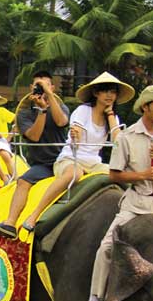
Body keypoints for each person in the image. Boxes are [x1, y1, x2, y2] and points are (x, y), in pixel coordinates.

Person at [71, 85, 153, 301]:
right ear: (145, 107)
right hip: (137, 203)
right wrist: (143, 174)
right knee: (107, 248)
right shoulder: (127, 138)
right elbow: (114, 175)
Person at [21, 72, 134, 231]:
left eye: (113, 92)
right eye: (106, 91)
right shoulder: (83, 110)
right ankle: (35, 215)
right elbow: (76, 133)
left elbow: (118, 142)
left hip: (94, 163)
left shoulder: (113, 118)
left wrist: (110, 115)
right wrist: (75, 133)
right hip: (71, 158)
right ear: (96, 93)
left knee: (123, 175)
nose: (110, 95)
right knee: (74, 174)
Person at [0, 71, 70, 239]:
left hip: (64, 160)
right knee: (23, 181)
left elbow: (62, 122)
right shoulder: (24, 114)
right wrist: (42, 111)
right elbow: (34, 136)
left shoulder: (61, 107)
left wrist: (49, 98)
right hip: (42, 165)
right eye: (38, 85)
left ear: (52, 87)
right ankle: (10, 223)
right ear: (31, 88)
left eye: (46, 85)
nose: (42, 89)